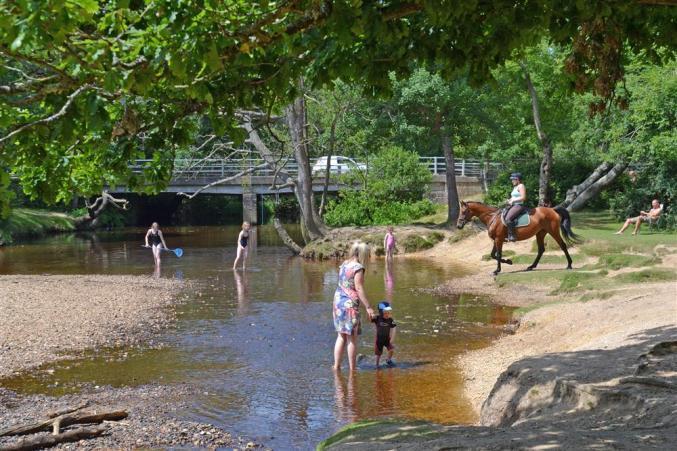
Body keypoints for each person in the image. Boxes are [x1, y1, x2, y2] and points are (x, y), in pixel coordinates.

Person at [333, 241, 375, 372]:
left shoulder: (344, 264)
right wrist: (368, 307)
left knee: (341, 336)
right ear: (363, 254)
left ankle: (336, 366)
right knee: (352, 338)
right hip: (350, 304)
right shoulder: (358, 268)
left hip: (338, 301)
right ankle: (352, 369)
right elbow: (358, 288)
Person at [372, 301, 396, 368]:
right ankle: (377, 365)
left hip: (387, 339)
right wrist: (371, 315)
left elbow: (394, 328)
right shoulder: (377, 318)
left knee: (391, 349)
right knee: (378, 354)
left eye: (388, 313)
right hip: (379, 340)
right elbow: (370, 319)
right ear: (381, 312)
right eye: (386, 313)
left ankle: (388, 360)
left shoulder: (390, 320)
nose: (387, 314)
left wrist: (392, 338)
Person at [505, 172, 527, 242]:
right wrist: (509, 200)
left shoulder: (521, 186)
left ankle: (512, 236)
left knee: (508, 219)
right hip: (513, 205)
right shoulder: (515, 187)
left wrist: (513, 200)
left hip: (519, 205)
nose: (512, 181)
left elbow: (523, 197)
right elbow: (513, 197)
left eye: (513, 179)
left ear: (517, 179)